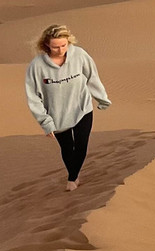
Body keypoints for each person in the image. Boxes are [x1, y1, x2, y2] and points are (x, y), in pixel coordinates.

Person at [25, 25, 111, 191]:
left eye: (64, 45)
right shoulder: (37, 66)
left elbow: (92, 77)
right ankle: (73, 174)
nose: (60, 50)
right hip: (57, 115)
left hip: (82, 108)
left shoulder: (79, 55)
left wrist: (102, 98)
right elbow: (33, 97)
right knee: (67, 148)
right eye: (56, 46)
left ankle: (72, 178)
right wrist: (45, 122)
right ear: (46, 45)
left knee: (81, 145)